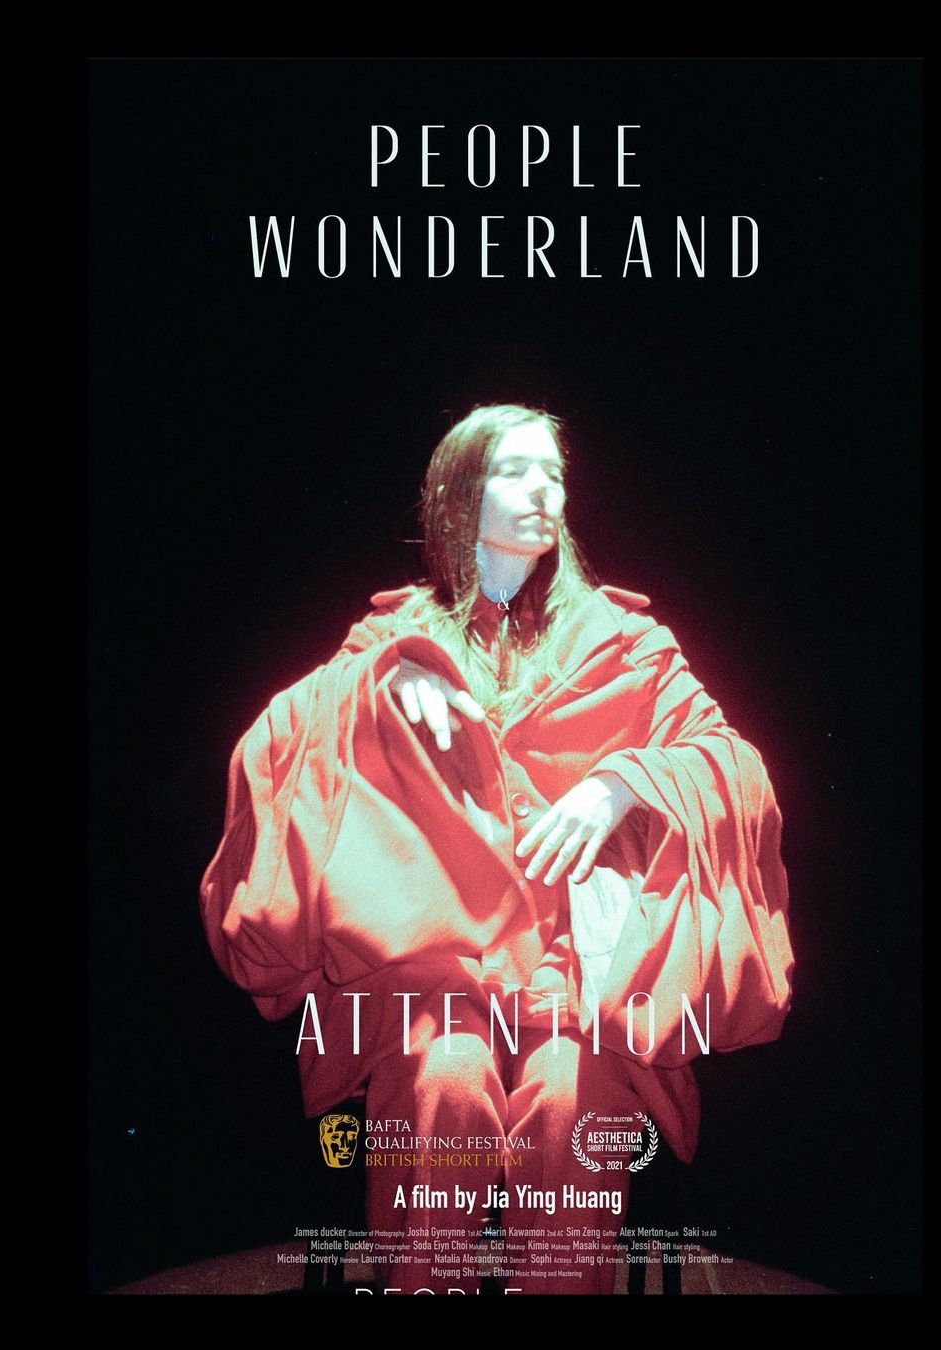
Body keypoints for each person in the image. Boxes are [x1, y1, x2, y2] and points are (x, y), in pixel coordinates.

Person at [200, 403, 793, 1294]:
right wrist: (376, 678)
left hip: (575, 976)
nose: (543, 490)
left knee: (566, 1101)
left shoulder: (627, 642)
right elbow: (277, 746)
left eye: (554, 474)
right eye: (515, 471)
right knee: (445, 1083)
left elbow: (731, 761)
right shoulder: (391, 633)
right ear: (459, 492)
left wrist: (625, 780)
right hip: (441, 972)